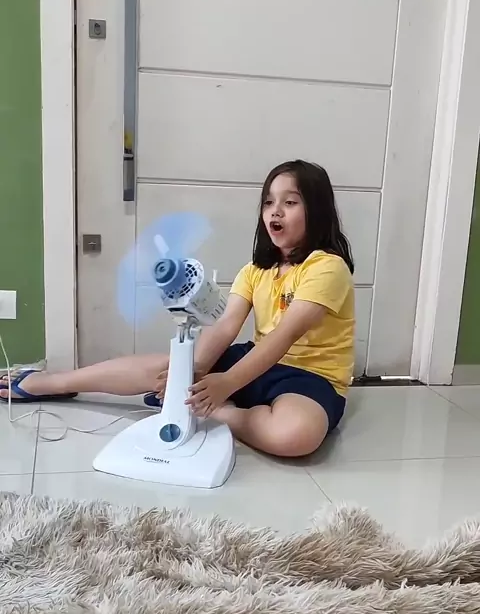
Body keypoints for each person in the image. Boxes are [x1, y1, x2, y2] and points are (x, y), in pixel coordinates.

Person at [1, 160, 355, 458]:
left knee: (295, 436)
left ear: (316, 211)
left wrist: (227, 383)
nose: (275, 211)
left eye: (290, 202)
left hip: (311, 378)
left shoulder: (327, 267)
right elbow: (226, 325)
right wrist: (193, 370)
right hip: (256, 360)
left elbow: (284, 335)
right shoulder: (255, 271)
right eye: (268, 202)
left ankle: (222, 413)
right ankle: (54, 382)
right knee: (169, 367)